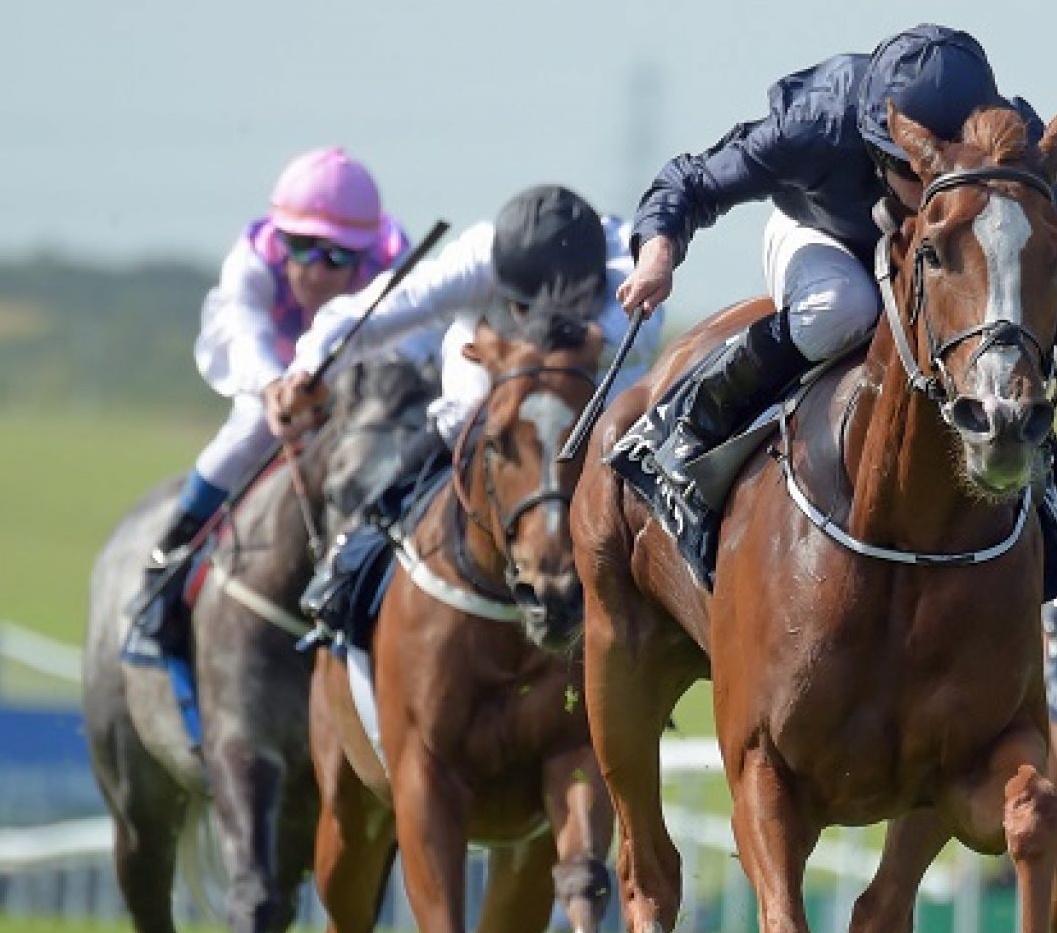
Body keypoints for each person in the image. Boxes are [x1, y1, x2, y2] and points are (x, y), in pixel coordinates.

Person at [613, 23, 1057, 505]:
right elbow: (692, 181)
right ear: (875, 143)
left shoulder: (1017, 154)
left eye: (953, 170)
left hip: (948, 259)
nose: (930, 187)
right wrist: (658, 251)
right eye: (911, 168)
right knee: (843, 306)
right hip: (822, 233)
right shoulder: (815, 120)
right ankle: (687, 423)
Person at [264, 185, 663, 631]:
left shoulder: (624, 259)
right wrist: (309, 367)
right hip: (485, 394)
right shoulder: (480, 256)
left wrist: (582, 340)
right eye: (522, 307)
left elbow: (642, 330)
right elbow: (386, 307)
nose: (533, 319)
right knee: (430, 449)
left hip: (590, 402)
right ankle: (349, 562)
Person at [124, 147, 409, 661]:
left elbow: (409, 346)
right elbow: (244, 333)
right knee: (247, 429)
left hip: (361, 393)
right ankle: (167, 568)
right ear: (280, 238)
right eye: (301, 248)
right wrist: (275, 387)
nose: (317, 273)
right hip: (272, 381)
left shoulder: (393, 263)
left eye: (338, 256)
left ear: (364, 252)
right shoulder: (251, 261)